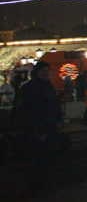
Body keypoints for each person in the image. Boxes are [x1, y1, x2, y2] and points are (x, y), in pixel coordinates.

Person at [13, 61, 62, 193]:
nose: (46, 73)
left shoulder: (47, 86)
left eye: (47, 71)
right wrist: (37, 129)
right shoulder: (31, 88)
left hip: (49, 126)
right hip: (36, 128)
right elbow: (28, 110)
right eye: (43, 71)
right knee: (37, 158)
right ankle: (37, 185)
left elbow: (54, 105)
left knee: (47, 157)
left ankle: (45, 184)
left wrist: (57, 119)